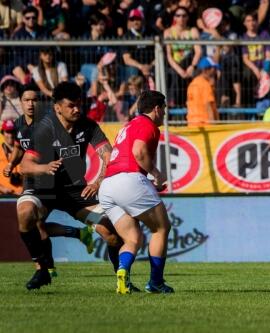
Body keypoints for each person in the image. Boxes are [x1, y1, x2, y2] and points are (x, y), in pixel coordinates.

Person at [18, 82, 121, 290]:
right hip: (43, 189)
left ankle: (123, 280)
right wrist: (44, 167)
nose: (77, 109)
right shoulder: (44, 128)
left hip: (74, 193)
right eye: (71, 106)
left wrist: (99, 181)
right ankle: (42, 269)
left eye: (79, 105)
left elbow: (109, 156)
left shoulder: (88, 126)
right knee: (26, 213)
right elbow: (24, 166)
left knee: (110, 231)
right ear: (57, 107)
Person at [4, 84, 96, 278]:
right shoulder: (20, 123)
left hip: (54, 181)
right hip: (34, 178)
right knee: (34, 223)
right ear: (20, 102)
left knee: (37, 224)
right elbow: (21, 149)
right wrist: (12, 164)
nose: (30, 104)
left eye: (34, 100)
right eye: (26, 100)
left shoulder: (47, 123)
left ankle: (47, 266)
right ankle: (53, 262)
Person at [99, 90, 174, 294]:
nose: (165, 114)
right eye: (164, 109)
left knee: (133, 238)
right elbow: (139, 153)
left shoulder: (129, 124)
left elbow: (126, 160)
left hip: (108, 186)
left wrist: (147, 180)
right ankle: (156, 283)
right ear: (157, 109)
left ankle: (123, 271)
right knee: (161, 228)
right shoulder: (147, 124)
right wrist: (157, 175)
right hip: (128, 180)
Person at [186, 57, 219, 127]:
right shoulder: (205, 85)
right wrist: (215, 127)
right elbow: (208, 107)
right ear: (205, 70)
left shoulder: (192, 84)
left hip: (192, 124)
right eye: (213, 69)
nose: (215, 71)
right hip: (205, 125)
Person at [0, 119, 22, 195]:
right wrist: (2, 188)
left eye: (13, 132)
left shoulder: (24, 150)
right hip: (2, 195)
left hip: (22, 195)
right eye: (7, 132)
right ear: (2, 133)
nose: (11, 135)